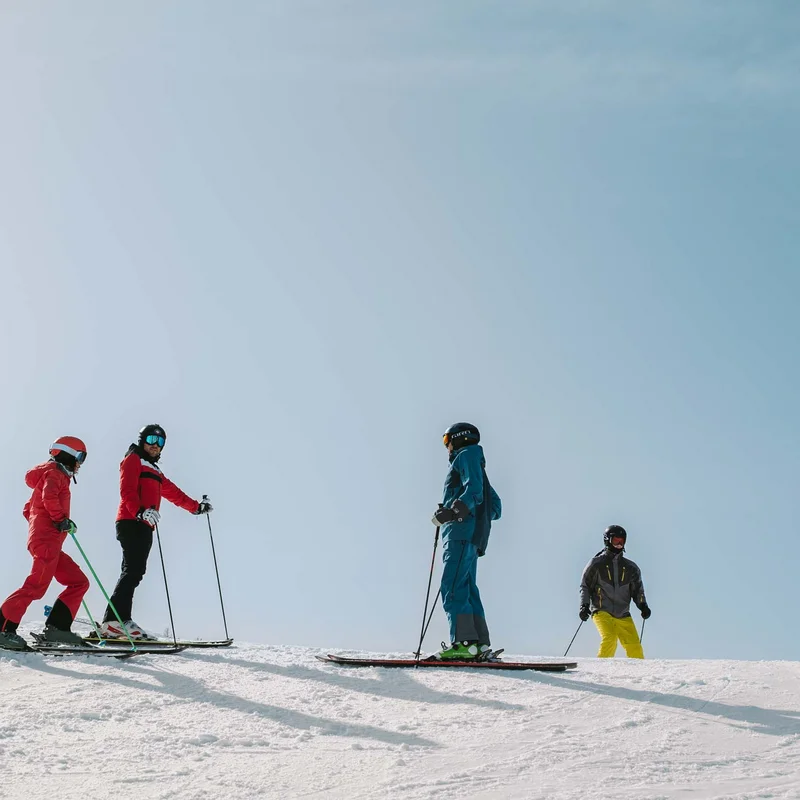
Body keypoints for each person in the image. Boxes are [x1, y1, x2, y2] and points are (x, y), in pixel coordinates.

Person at [99, 424, 213, 640]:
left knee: (134, 571)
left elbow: (174, 493)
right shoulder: (133, 459)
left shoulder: (155, 470)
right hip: (131, 520)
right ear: (142, 440)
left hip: (146, 524)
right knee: (133, 570)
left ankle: (116, 621)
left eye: (160, 442)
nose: (155, 445)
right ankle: (115, 621)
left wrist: (196, 507)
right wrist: (140, 512)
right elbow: (127, 491)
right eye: (151, 439)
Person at [0, 437, 91, 650]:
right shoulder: (55, 474)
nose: (80, 464)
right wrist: (60, 520)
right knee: (36, 586)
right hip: (47, 542)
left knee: (79, 581)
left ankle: (57, 628)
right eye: (80, 457)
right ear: (67, 454)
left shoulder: (52, 476)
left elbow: (28, 509)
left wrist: (55, 524)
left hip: (50, 542)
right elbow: (48, 496)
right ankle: (4, 629)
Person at [430, 422, 502, 660]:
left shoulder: (466, 455)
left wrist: (454, 512)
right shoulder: (478, 465)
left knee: (452, 587)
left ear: (459, 438)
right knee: (468, 589)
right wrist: (468, 513)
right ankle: (479, 644)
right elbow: (495, 507)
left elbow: (474, 492)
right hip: (472, 537)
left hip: (460, 535)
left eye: (446, 440)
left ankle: (464, 643)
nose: (447, 446)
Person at [579, 524, 651, 659]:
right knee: (610, 638)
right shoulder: (596, 564)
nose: (619, 544)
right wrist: (584, 606)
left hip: (623, 613)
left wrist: (643, 606)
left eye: (622, 541)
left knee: (634, 645)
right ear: (607, 540)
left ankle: (639, 674)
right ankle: (602, 669)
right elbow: (585, 586)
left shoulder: (631, 568)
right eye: (615, 541)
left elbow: (638, 590)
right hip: (602, 610)